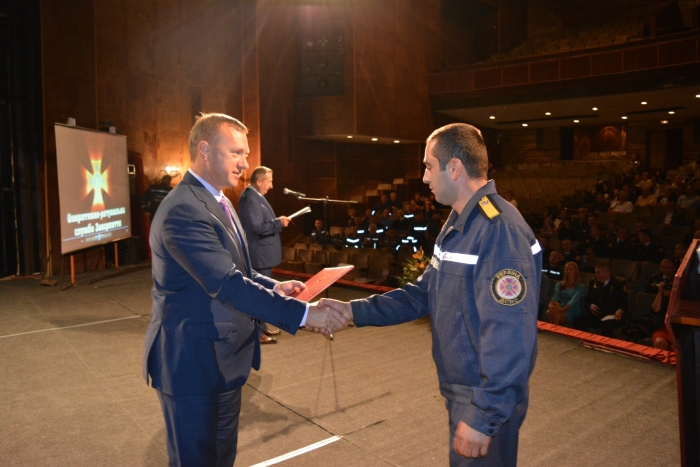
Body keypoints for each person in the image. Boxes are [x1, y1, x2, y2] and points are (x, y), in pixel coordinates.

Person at [317, 123, 542, 466]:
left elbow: (510, 334)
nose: (424, 177)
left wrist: (484, 415)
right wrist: (351, 311)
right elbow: (422, 294)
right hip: (465, 390)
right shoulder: (458, 222)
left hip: (482, 396)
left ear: (454, 168)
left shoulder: (498, 231)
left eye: (428, 166)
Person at [142, 113, 347, 467]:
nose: (246, 163)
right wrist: (305, 314)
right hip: (192, 364)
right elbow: (227, 283)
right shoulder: (184, 210)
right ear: (205, 150)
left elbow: (241, 271)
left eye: (246, 154)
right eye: (237, 152)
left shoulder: (220, 201)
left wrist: (275, 285)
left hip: (222, 361)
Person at [238, 166, 292, 344]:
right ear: (259, 181)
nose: (271, 185)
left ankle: (261, 326)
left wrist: (277, 222)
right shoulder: (249, 198)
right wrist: (278, 223)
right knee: (259, 294)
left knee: (264, 292)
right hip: (258, 254)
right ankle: (256, 332)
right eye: (269, 181)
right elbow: (256, 227)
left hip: (263, 254)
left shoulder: (256, 197)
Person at [573, 262, 627, 338]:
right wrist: (591, 306)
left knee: (606, 324)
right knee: (578, 320)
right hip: (597, 314)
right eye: (595, 272)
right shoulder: (593, 283)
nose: (596, 275)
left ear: (606, 273)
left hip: (612, 315)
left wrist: (620, 311)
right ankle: (585, 339)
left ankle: (605, 345)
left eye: (598, 272)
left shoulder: (618, 285)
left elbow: (624, 304)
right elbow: (587, 300)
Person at [546, 262, 586, 326]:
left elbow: (572, 302)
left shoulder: (580, 287)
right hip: (561, 307)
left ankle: (554, 333)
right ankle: (552, 332)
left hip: (572, 309)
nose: (568, 271)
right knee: (548, 312)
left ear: (576, 271)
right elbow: (554, 297)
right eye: (566, 270)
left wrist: (561, 310)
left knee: (556, 314)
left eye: (571, 269)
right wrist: (551, 306)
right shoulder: (559, 284)